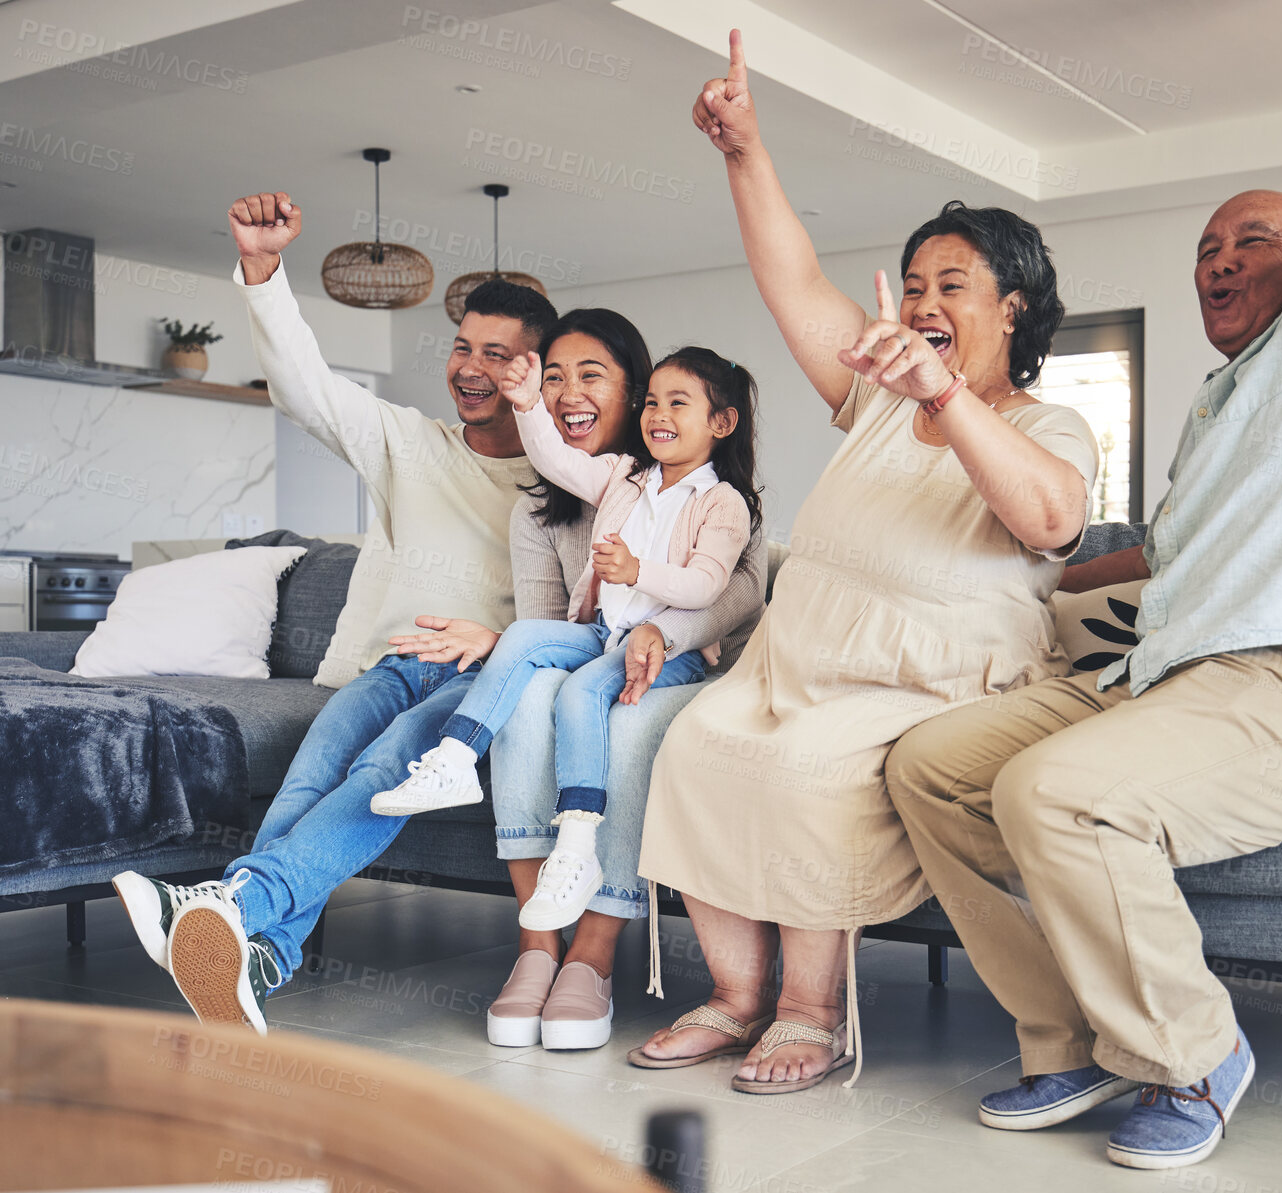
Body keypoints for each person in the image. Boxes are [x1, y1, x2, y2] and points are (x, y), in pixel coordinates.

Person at [885, 0, 1282, 1169]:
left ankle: (1192, 1050)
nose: (1219, 260)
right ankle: (1071, 1033)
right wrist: (1045, 566)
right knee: (926, 766)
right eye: (1204, 250)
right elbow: (1160, 545)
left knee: (1055, 791)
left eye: (1252, 240)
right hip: (1156, 676)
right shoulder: (1219, 395)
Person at [629, 30, 1099, 1095]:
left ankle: (810, 1010)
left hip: (925, 683)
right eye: (915, 282)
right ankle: (735, 994)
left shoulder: (1047, 423)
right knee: (696, 742)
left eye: (955, 284)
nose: (925, 302)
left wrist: (944, 396)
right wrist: (743, 150)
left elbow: (1051, 518)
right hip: (793, 665)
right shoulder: (877, 395)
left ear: (1011, 307)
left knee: (802, 769)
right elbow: (790, 274)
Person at [111, 190, 557, 1034]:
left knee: (376, 772)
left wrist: (497, 640)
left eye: (497, 356)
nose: (470, 367)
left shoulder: (559, 483)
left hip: (472, 683)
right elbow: (305, 386)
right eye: (462, 347)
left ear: (533, 371)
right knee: (309, 777)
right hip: (386, 665)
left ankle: (235, 904)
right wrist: (262, 269)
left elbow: (580, 608)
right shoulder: (408, 441)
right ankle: (262, 955)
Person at [385, 311, 766, 1051]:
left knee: (593, 700)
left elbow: (715, 586)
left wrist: (638, 577)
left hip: (678, 657)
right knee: (529, 654)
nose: (657, 414)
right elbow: (561, 464)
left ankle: (584, 888)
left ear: (722, 423)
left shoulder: (727, 504)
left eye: (675, 403)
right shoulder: (624, 479)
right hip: (604, 634)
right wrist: (527, 404)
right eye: (653, 401)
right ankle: (458, 762)